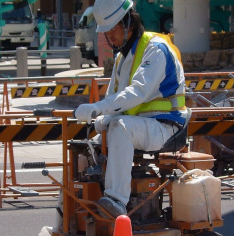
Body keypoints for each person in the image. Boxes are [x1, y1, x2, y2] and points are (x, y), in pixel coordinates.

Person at [73, 0, 188, 218]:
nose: (110, 36)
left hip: (166, 127)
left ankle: (116, 200)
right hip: (142, 127)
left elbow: (137, 93)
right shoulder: (121, 58)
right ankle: (71, 211)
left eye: (113, 28)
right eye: (107, 31)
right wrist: (100, 119)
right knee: (85, 145)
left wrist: (97, 108)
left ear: (129, 23)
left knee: (120, 127)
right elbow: (114, 100)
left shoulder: (156, 49)